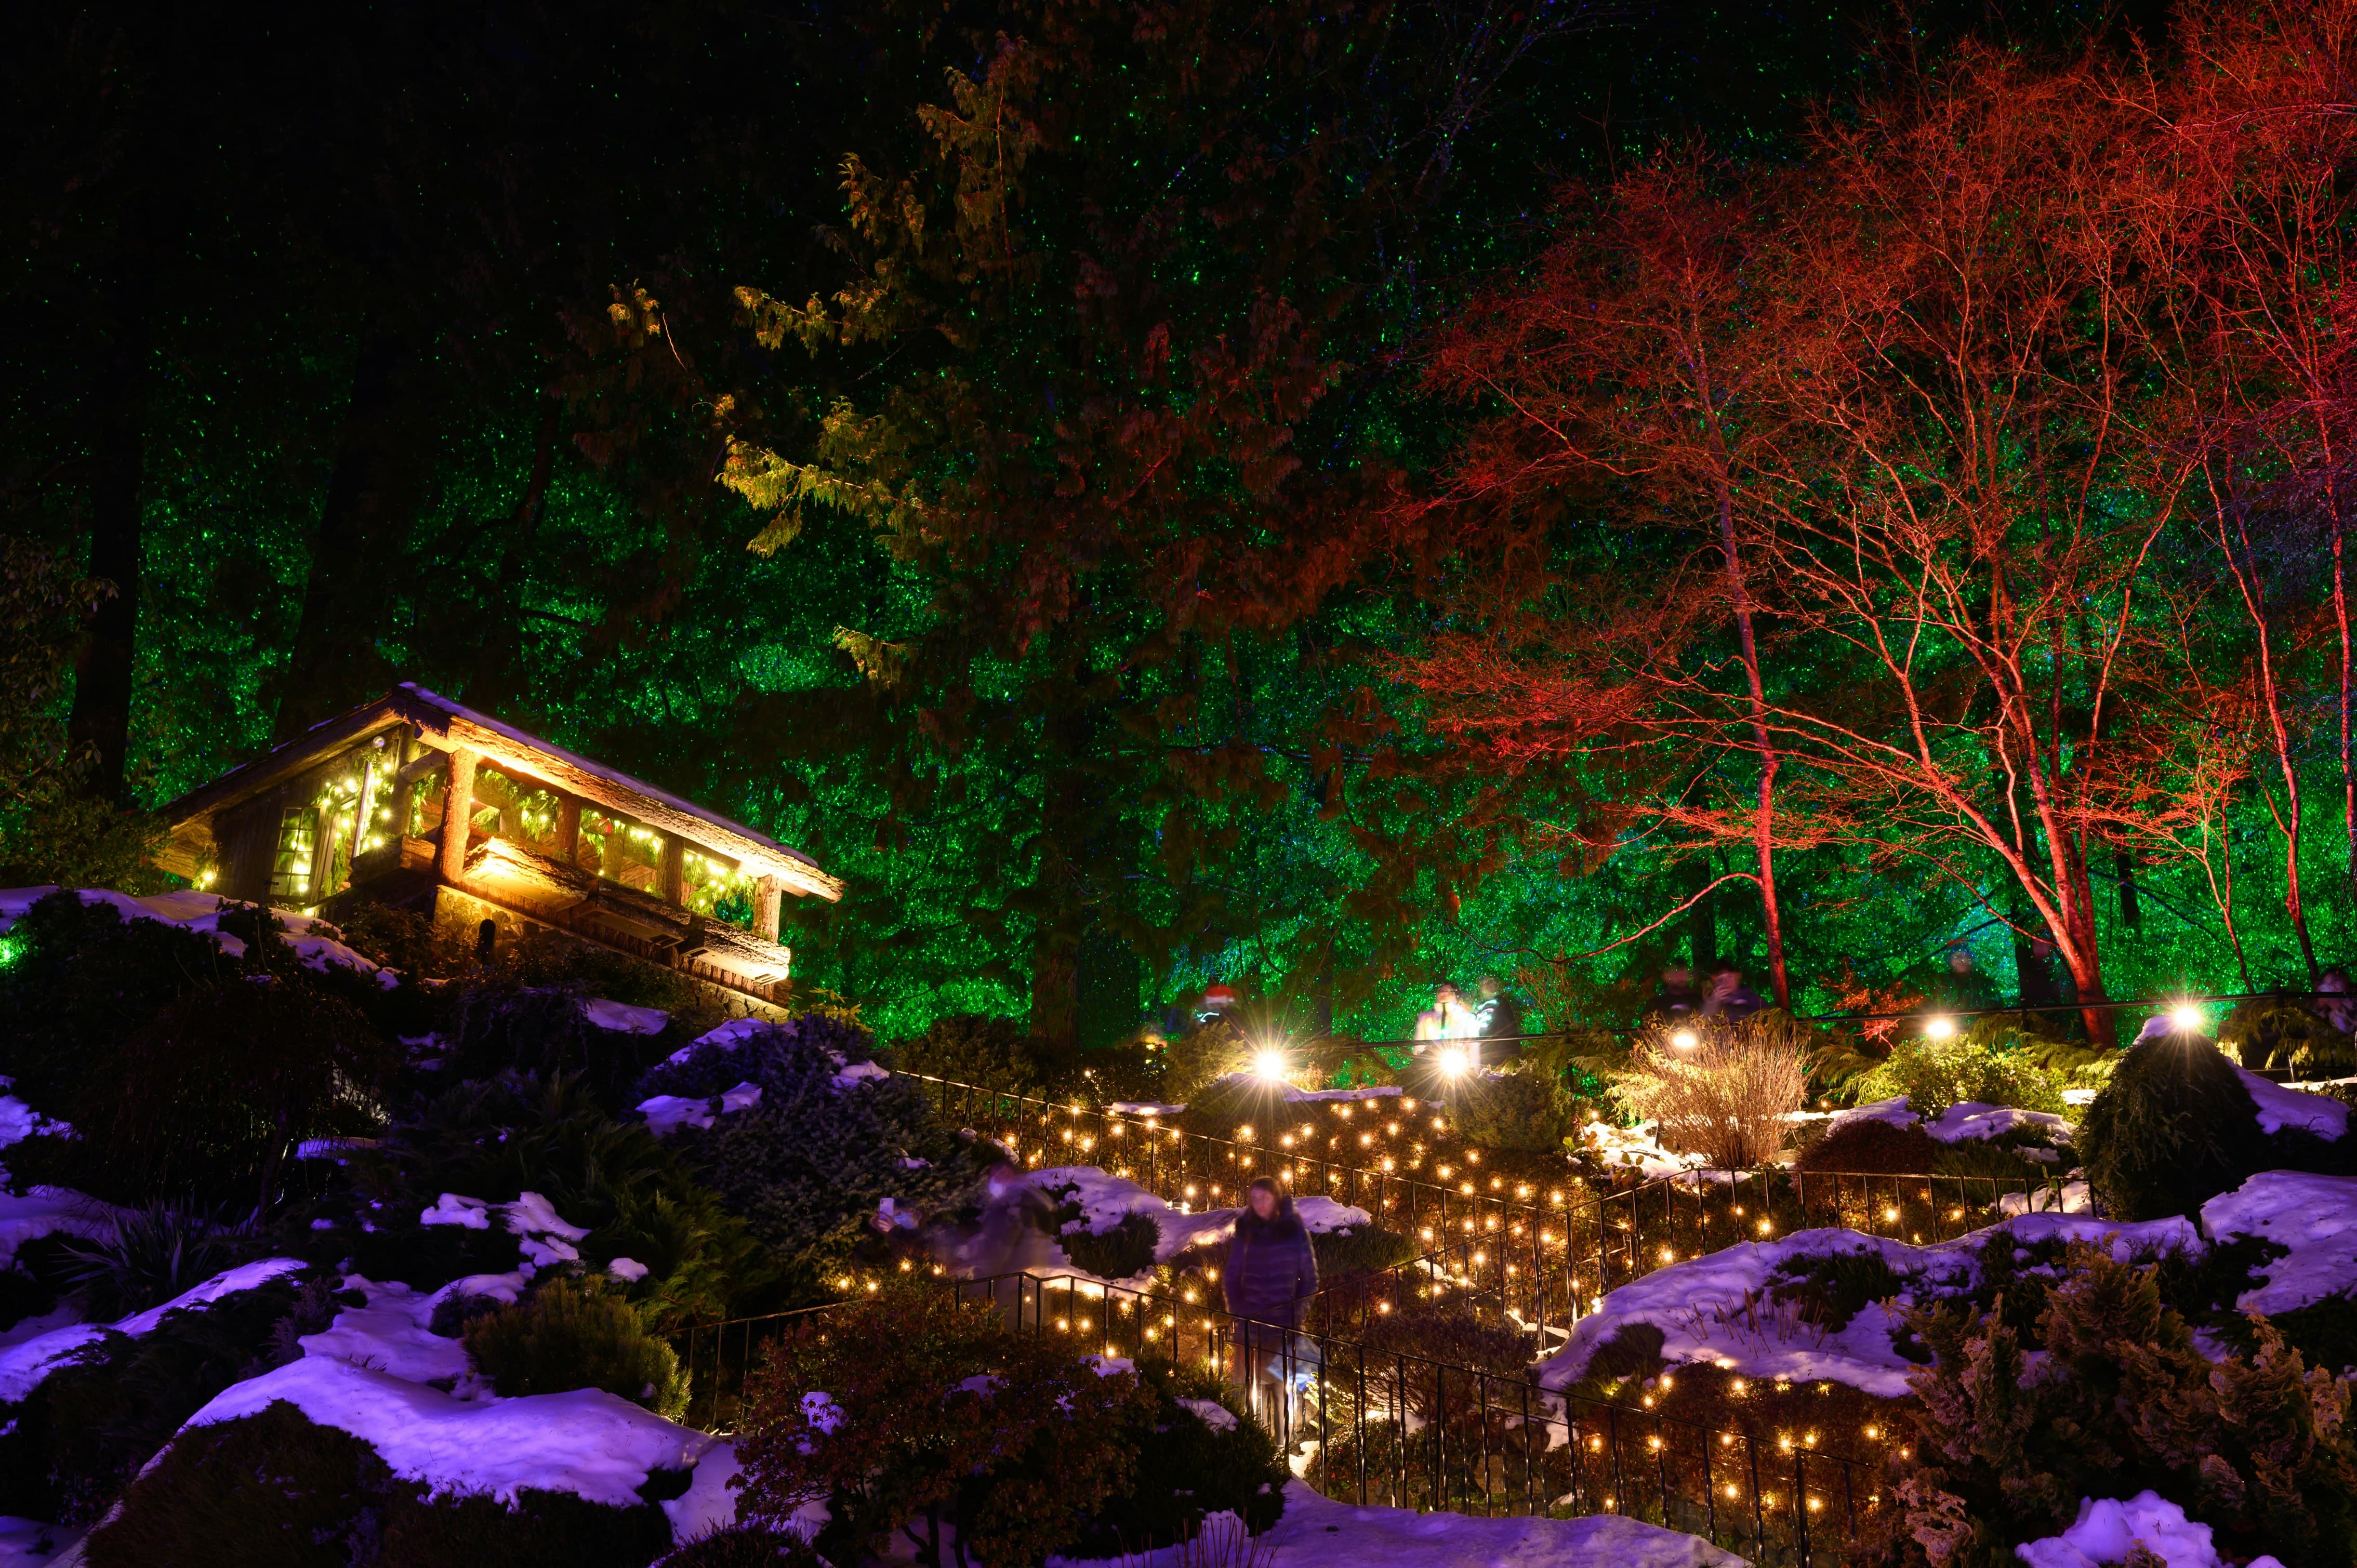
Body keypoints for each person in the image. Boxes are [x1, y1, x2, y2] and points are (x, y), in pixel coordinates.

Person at [1223, 1175, 1319, 1430]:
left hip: (1282, 1323)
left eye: (1264, 1198)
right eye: (1254, 1198)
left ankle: (1281, 1447)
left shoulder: (1294, 1233)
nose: (1259, 1204)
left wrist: (1297, 1311)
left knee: (1281, 1390)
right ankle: (1248, 1444)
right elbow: (1232, 1275)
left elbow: (1310, 1279)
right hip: (1250, 1322)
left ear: (1276, 1199)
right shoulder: (1246, 1231)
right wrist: (1238, 1309)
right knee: (1245, 1389)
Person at [956, 1162, 1062, 1327]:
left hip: (1002, 1302)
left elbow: (996, 1250)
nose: (990, 1182)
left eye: (992, 1176)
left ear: (1005, 1173)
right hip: (1028, 1299)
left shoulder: (1010, 1205)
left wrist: (966, 1259)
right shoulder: (1034, 1204)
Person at [1475, 975, 1527, 1062]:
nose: (1491, 985)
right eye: (1487, 982)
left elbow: (1507, 1028)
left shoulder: (1501, 1004)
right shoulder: (1480, 1007)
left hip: (1499, 1053)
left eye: (1492, 982)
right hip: (1485, 1053)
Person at [1699, 964, 1765, 1021]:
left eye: (1730, 977)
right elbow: (1703, 1025)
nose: (1725, 983)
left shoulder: (1755, 1000)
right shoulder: (1712, 1003)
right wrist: (1713, 1004)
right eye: (1720, 979)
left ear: (1737, 976)